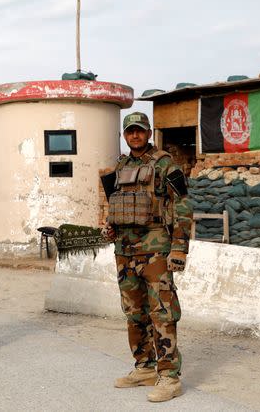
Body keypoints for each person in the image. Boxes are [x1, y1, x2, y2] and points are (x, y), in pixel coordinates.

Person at [101, 111, 193, 403]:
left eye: (140, 130)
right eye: (130, 131)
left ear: (149, 132)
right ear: (124, 135)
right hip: (125, 251)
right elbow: (117, 205)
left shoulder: (166, 165)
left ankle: (169, 376)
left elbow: (183, 206)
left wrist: (179, 247)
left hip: (156, 250)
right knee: (134, 312)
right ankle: (144, 367)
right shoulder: (120, 166)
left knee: (163, 312)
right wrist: (110, 227)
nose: (135, 136)